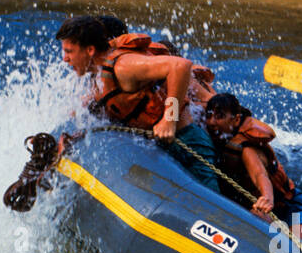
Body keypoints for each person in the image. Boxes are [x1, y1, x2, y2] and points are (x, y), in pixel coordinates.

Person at [55, 16, 221, 193]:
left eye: (69, 51)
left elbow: (180, 66)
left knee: (209, 204)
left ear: (89, 50)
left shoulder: (123, 66)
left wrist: (169, 119)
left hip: (187, 143)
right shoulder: (98, 76)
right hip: (160, 147)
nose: (65, 59)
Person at [204, 93, 302, 241]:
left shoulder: (246, 149)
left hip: (290, 206)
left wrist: (267, 199)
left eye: (219, 116)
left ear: (236, 119)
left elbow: (259, 175)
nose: (212, 122)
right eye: (209, 116)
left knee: (294, 246)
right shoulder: (218, 134)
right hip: (255, 205)